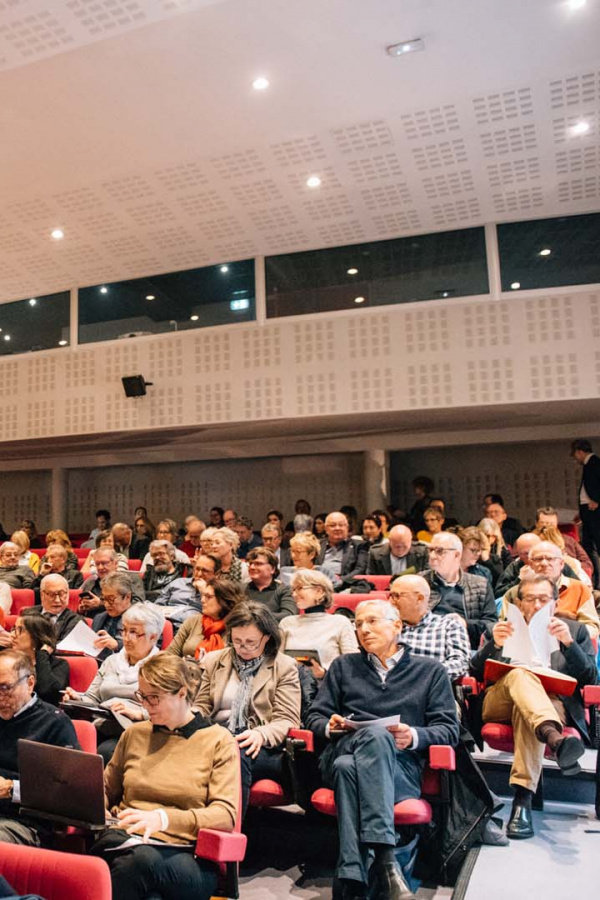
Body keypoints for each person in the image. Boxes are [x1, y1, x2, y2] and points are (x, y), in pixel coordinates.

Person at [306, 599, 459, 900]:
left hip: (398, 767)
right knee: (374, 738)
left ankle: (351, 872)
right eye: (358, 624)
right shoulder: (343, 666)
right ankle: (387, 861)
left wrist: (413, 736)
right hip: (344, 745)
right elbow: (313, 717)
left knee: (349, 768)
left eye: (372, 621)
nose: (363, 629)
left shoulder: (430, 671)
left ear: (397, 625)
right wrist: (330, 725)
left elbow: (449, 730)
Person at [90, 653, 238, 900]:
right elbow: (105, 788)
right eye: (142, 696)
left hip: (185, 855)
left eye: (154, 698)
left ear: (182, 693)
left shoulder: (217, 740)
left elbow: (225, 815)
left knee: (135, 863)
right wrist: (98, 806)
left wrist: (162, 819)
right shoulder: (135, 734)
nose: (146, 705)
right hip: (126, 841)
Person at [471, 574, 597, 839]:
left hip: (551, 705)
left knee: (527, 713)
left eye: (544, 599)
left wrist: (569, 646)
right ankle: (555, 741)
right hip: (500, 700)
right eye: (530, 599)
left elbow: (590, 679)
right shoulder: (502, 627)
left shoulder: (574, 630)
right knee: (520, 675)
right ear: (519, 601)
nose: (537, 605)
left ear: (555, 602)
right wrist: (494, 645)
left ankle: (522, 801)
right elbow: (474, 671)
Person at [194, 601, 301, 813]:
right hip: (216, 736)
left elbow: (286, 719)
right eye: (237, 641)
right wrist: (189, 719)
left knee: (234, 752)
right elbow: (202, 706)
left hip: (260, 745)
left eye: (251, 642)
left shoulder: (284, 666)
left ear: (267, 637)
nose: (242, 648)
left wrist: (261, 734)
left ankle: (228, 831)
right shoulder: (214, 661)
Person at [64, 604, 163, 764]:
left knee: (105, 751)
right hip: (103, 722)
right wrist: (77, 698)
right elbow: (92, 697)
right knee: (65, 739)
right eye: (123, 630)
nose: (126, 638)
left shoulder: (162, 665)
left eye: (134, 633)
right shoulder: (111, 661)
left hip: (137, 727)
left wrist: (138, 714)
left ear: (153, 636)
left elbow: (170, 707)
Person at [0, 649, 80, 845]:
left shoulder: (55, 723)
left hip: (24, 821)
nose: (0, 697)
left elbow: (69, 791)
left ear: (30, 683)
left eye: (5, 688)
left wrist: (12, 789)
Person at [500, 541, 600, 639]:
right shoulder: (514, 593)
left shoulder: (579, 589)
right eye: (538, 559)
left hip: (569, 647)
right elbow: (504, 627)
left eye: (550, 559)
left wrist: (565, 632)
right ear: (530, 564)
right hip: (526, 647)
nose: (544, 563)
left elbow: (593, 628)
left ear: (561, 564)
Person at [421, 532, 497, 649]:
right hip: (427, 644)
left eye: (439, 551)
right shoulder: (419, 582)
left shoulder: (480, 584)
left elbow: (491, 625)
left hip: (467, 646)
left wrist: (465, 624)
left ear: (457, 555)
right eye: (430, 550)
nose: (432, 555)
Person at [389, 574, 470, 680]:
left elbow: (460, 663)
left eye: (397, 596)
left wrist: (423, 675)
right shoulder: (387, 627)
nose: (391, 601)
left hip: (433, 688)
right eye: (390, 596)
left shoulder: (449, 625)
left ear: (419, 598)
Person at [280, 569, 358, 678]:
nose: (294, 594)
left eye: (299, 588)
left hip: (329, 687)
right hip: (292, 687)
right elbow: (277, 663)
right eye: (293, 590)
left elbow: (352, 666)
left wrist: (324, 674)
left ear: (319, 592)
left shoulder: (340, 622)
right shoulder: (287, 622)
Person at [166, 580, 245, 659]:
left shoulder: (236, 628)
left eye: (208, 597)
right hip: (185, 669)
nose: (202, 600)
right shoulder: (193, 621)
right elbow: (169, 654)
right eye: (202, 596)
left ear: (224, 600)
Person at [10, 614, 69, 706]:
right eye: (14, 629)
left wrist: (42, 655)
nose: (12, 635)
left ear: (36, 636)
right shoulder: (9, 661)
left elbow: (46, 692)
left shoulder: (59, 665)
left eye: (20, 630)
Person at [143, 541, 197, 625]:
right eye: (154, 555)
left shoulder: (185, 570)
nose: (157, 557)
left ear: (171, 556)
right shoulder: (149, 573)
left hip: (180, 612)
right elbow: (143, 595)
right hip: (154, 612)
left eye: (161, 554)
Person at [79, 548, 145, 617]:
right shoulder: (90, 582)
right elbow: (82, 613)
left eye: (104, 563)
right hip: (95, 623)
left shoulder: (131, 579)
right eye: (97, 564)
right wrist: (81, 609)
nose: (100, 567)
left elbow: (138, 604)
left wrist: (101, 604)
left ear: (115, 563)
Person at [571, 438, 600, 587]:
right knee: (588, 546)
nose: (576, 458)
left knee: (596, 545)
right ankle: (595, 579)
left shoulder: (595, 462)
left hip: (594, 510)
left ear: (580, 452)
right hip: (588, 511)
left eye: (575, 454)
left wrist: (598, 500)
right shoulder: (590, 464)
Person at [535, 506, 593, 578]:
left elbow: (586, 562)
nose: (548, 527)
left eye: (552, 524)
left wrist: (576, 569)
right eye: (544, 523)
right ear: (536, 524)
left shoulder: (569, 540)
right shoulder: (530, 541)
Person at [90, 572, 137, 662]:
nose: (106, 605)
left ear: (127, 597)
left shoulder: (142, 620)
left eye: (111, 599)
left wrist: (117, 645)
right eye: (104, 599)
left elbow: (147, 649)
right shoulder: (99, 618)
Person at [22, 574, 83, 641]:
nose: (57, 600)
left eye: (61, 594)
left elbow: (63, 648)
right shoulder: (28, 613)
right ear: (42, 595)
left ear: (68, 593)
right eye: (51, 594)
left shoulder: (76, 621)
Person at [244, 547, 296, 621]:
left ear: (272, 569)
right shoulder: (239, 589)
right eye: (250, 563)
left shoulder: (284, 590)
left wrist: (255, 616)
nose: (252, 567)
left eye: (258, 564)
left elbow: (288, 615)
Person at [316, 512, 368, 584]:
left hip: (346, 584)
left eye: (341, 525)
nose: (337, 528)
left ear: (347, 527)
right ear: (326, 529)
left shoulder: (359, 546)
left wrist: (340, 581)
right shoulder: (317, 545)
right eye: (333, 525)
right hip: (319, 583)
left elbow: (360, 569)